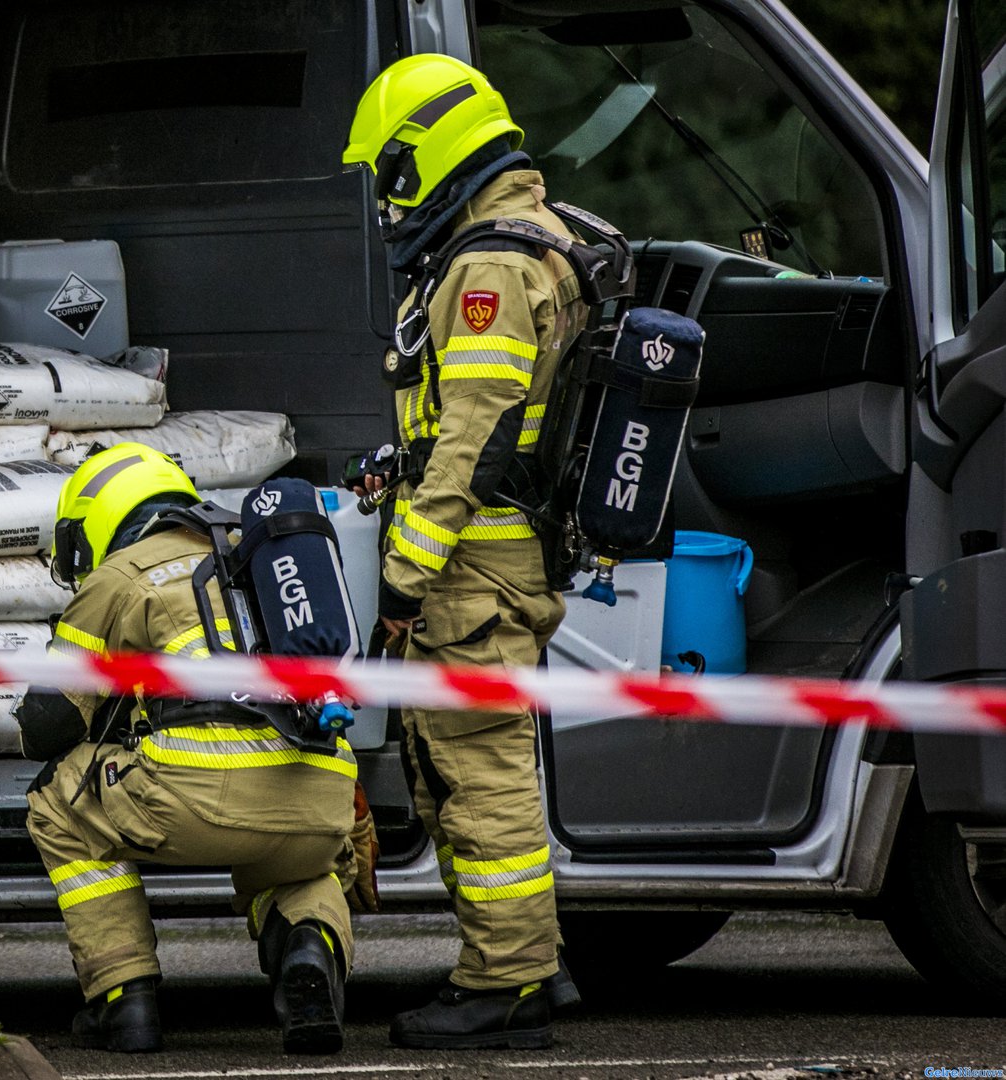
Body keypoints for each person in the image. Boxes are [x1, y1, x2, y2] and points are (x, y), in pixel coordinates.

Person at [341, 55, 586, 1050]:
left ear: (436, 148)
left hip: (472, 568)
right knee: (467, 764)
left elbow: (479, 436)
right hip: (495, 557)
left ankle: (509, 980)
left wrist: (405, 568)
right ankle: (530, 965)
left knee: (477, 767)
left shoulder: (488, 265)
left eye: (395, 170)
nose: (391, 197)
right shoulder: (540, 234)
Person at [18, 443, 356, 1055]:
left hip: (198, 794)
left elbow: (49, 722)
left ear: (96, 520)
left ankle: (124, 998)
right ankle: (310, 951)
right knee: (295, 864)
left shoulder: (118, 576)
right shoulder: (253, 550)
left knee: (56, 801)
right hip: (320, 790)